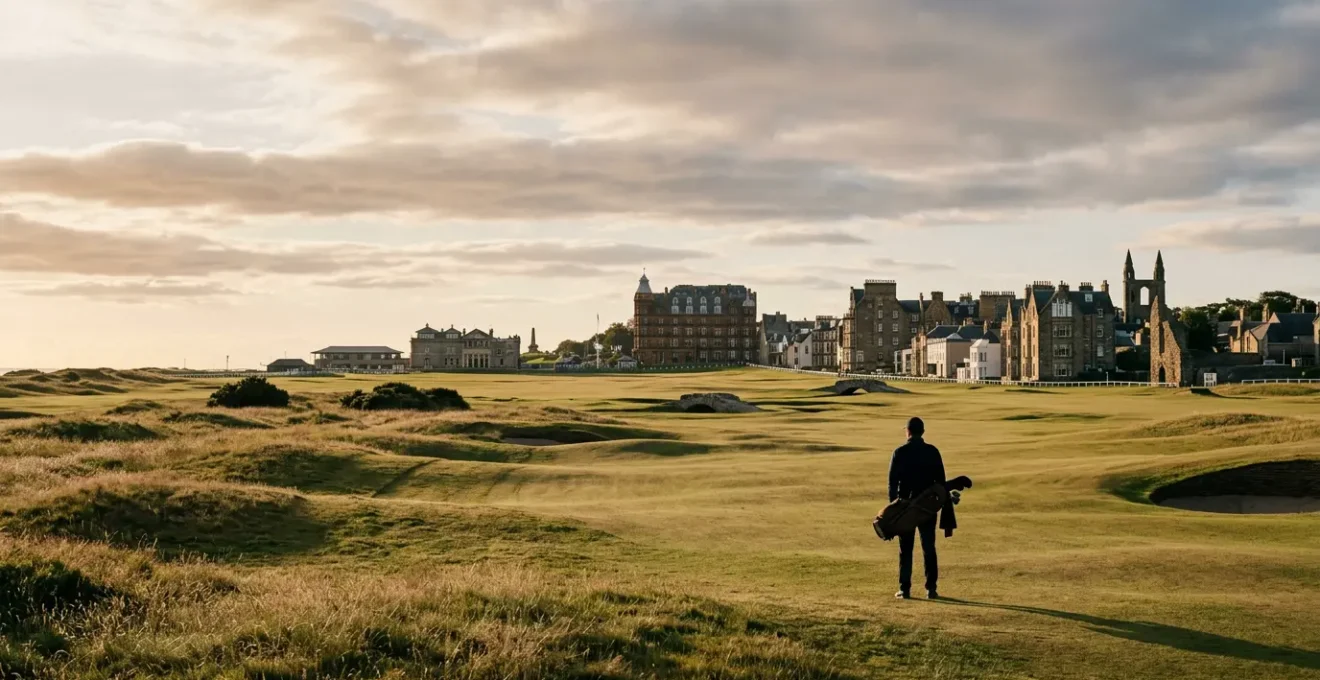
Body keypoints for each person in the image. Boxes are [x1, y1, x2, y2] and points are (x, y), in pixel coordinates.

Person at [888, 416, 946, 600]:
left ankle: (905, 589)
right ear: (923, 431)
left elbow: (892, 483)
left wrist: (894, 508)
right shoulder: (932, 451)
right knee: (929, 547)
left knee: (906, 548)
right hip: (927, 507)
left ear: (908, 431)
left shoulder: (900, 452)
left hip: (906, 507)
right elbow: (941, 482)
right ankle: (931, 589)